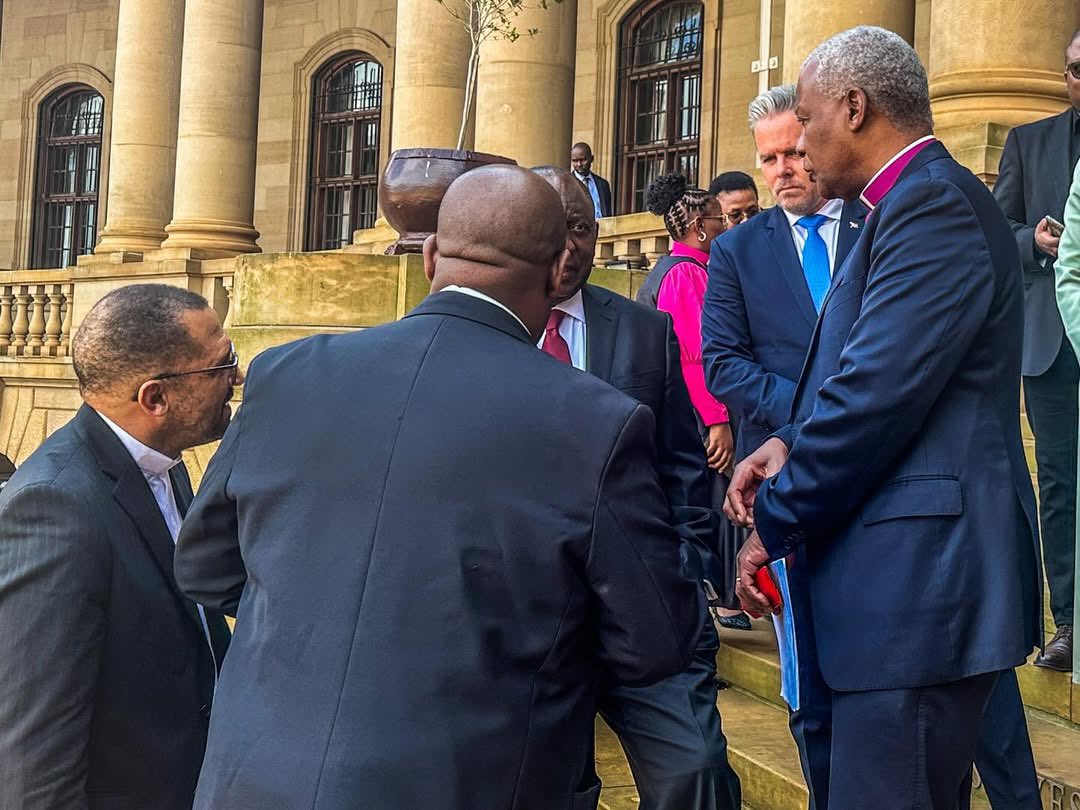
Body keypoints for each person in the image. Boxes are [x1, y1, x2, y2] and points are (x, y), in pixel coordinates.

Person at [174, 165, 703, 810]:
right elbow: (654, 640)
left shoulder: (288, 372)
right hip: (477, 778)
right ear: (558, 270)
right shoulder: (596, 421)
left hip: (255, 780)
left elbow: (205, 567)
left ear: (429, 256)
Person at [728, 27, 1042, 809]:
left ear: (855, 107)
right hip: (894, 601)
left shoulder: (931, 204)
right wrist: (788, 441)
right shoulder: (897, 206)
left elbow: (874, 398)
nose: (800, 144)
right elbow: (879, 378)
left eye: (806, 120)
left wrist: (775, 519)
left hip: (918, 598)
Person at [533, 165, 742, 810]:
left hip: (644, 607)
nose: (570, 247)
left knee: (696, 772)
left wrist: (687, 560)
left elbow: (680, 462)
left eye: (581, 228)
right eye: (553, 229)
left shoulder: (642, 329)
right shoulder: (487, 332)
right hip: (528, 618)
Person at [0, 284, 236, 810]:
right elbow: (32, 759)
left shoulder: (163, 462)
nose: (235, 378)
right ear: (156, 398)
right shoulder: (53, 507)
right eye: (222, 365)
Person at [701, 83, 866, 810]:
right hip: (788, 480)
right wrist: (816, 415)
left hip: (883, 476)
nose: (783, 171)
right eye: (768, 159)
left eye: (794, 152)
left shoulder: (875, 225)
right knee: (809, 675)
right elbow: (722, 363)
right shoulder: (738, 250)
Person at [992, 28, 1080, 672]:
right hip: (1054, 344)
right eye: (1075, 69)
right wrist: (1035, 243)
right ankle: (1070, 620)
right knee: (1060, 481)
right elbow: (999, 229)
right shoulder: (1029, 141)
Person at [634, 175, 746, 632]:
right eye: (721, 219)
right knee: (717, 501)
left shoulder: (676, 269)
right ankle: (726, 601)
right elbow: (696, 356)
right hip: (699, 414)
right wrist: (718, 419)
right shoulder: (685, 274)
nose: (726, 226)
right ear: (700, 226)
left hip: (685, 411)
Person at [571, 141, 613, 218]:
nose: (579, 164)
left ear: (592, 159)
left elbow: (607, 212)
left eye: (583, 160)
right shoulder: (568, 184)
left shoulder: (603, 184)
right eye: (575, 161)